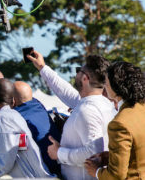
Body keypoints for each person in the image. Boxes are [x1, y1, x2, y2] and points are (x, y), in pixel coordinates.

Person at [27, 51, 116, 180]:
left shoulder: (88, 109)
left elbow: (94, 153)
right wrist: (42, 67)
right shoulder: (105, 105)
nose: (76, 74)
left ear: (85, 78)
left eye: (79, 70)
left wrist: (59, 153)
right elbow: (66, 92)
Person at [85, 61, 145, 179]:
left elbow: (117, 175)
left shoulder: (119, 124)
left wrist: (96, 172)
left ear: (116, 86)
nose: (104, 87)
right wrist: (111, 157)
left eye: (106, 83)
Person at [13, 81, 61, 176]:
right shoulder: (38, 107)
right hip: (60, 168)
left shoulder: (18, 119)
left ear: (13, 100)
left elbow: (12, 151)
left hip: (46, 172)